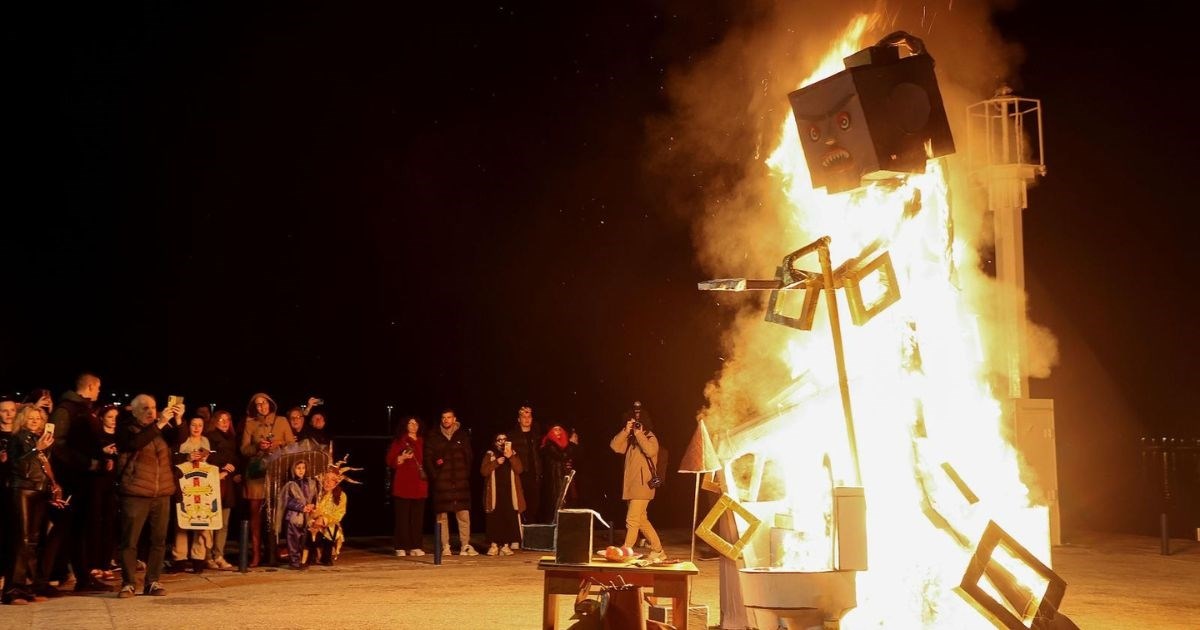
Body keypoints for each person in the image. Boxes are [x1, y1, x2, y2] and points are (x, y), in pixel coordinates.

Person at [115, 394, 183, 598]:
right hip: (135, 492)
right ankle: (128, 583)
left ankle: (152, 581)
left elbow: (178, 441)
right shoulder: (127, 429)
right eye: (144, 408)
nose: (150, 412)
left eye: (153, 407)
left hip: (162, 492)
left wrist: (178, 421)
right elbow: (135, 443)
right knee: (130, 540)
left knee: (159, 540)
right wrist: (160, 423)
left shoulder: (162, 429)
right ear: (134, 411)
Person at [3, 404, 66, 605]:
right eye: (31, 418)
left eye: (38, 418)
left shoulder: (40, 441)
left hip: (39, 491)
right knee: (21, 539)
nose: (35, 421)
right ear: (23, 419)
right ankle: (13, 589)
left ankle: (28, 586)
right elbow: (17, 465)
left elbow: (45, 469)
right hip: (21, 489)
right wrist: (35, 449)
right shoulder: (17, 438)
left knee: (34, 540)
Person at [239, 392, 295, 567]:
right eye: (257, 404)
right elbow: (244, 449)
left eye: (264, 403)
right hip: (256, 475)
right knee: (255, 515)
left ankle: (274, 552)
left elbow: (292, 445)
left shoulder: (282, 421)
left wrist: (277, 444)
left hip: (277, 473)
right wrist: (258, 446)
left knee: (276, 514)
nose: (261, 407)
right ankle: (255, 554)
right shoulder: (250, 424)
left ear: (270, 404)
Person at [609, 401, 666, 562]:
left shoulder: (649, 437)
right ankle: (658, 550)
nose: (637, 421)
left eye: (640, 417)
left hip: (643, 486)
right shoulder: (631, 440)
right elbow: (615, 446)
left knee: (632, 520)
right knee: (641, 520)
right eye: (634, 418)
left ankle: (626, 551)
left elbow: (650, 451)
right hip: (631, 487)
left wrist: (639, 434)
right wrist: (626, 430)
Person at [425, 409, 476, 556]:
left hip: (460, 482)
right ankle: (445, 546)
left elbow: (469, 457)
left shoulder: (462, 435)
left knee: (463, 514)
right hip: (442, 482)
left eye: (449, 417)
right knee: (441, 516)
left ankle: (465, 545)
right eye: (443, 418)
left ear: (454, 419)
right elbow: (428, 459)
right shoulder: (434, 436)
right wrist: (436, 476)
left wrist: (464, 474)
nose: (446, 420)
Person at [171, 416, 213, 574]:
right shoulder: (183, 441)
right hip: (185, 483)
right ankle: (179, 558)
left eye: (200, 425)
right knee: (182, 521)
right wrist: (187, 458)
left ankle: (198, 559)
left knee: (201, 520)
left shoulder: (206, 441)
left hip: (202, 483)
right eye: (193, 424)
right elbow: (175, 459)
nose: (196, 428)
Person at [85, 403, 121, 581]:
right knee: (94, 523)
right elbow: (86, 456)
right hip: (97, 483)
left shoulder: (122, 437)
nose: (114, 421)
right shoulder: (96, 436)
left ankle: (106, 564)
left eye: (116, 417)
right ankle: (93, 564)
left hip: (114, 485)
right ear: (102, 418)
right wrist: (102, 452)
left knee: (110, 524)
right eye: (110, 417)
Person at [386, 415, 427, 557]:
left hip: (419, 484)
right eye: (410, 423)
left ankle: (416, 545)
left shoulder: (423, 441)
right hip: (403, 483)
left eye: (416, 423)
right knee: (402, 517)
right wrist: (402, 458)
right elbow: (390, 460)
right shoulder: (400, 441)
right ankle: (401, 546)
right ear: (405, 425)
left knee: (417, 518)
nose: (414, 425)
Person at [203, 409, 239, 569]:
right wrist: (223, 466)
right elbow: (207, 457)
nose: (224, 423)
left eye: (227, 420)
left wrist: (233, 469)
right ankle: (207, 555)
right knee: (211, 521)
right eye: (221, 420)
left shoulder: (232, 439)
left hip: (228, 484)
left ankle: (219, 554)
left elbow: (237, 458)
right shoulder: (209, 438)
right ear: (214, 422)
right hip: (213, 483)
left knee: (223, 523)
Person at [481, 432, 524, 556]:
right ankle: (494, 545)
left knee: (508, 517)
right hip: (495, 493)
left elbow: (519, 469)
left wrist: (510, 457)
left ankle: (506, 545)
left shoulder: (513, 454)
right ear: (495, 442)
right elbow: (483, 471)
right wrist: (495, 463)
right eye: (499, 440)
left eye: (504, 439)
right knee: (495, 518)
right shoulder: (490, 454)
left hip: (509, 492)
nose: (502, 442)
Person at [307, 460, 356, 566]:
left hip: (329, 522)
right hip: (313, 520)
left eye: (331, 480)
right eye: (325, 479)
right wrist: (316, 517)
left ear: (336, 481)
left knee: (332, 528)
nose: (327, 483)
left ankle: (326, 556)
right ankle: (311, 555)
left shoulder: (342, 495)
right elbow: (311, 508)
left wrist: (324, 519)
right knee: (311, 528)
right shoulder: (316, 492)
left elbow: (339, 513)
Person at [278, 460, 318, 569]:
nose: (301, 470)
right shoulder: (290, 484)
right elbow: (287, 501)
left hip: (307, 516)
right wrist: (301, 507)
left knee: (304, 539)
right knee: (293, 539)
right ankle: (294, 562)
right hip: (294, 516)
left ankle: (303, 560)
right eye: (298, 468)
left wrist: (312, 505)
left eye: (303, 468)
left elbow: (314, 497)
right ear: (293, 470)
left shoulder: (310, 483)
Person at [509, 405, 543, 525]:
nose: (526, 419)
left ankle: (531, 531)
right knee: (521, 504)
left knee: (534, 504)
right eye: (523, 417)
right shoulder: (513, 436)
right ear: (519, 419)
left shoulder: (537, 435)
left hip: (535, 474)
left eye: (529, 416)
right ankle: (521, 531)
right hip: (521, 475)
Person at [540, 424, 580, 519]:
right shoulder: (549, 445)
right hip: (555, 483)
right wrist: (572, 444)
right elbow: (562, 456)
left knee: (568, 505)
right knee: (557, 506)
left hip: (565, 479)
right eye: (555, 430)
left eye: (560, 430)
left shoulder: (566, 445)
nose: (558, 432)